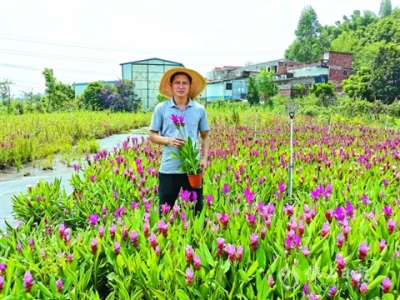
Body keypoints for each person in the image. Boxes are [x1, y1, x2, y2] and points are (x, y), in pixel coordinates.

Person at [149, 67, 210, 216]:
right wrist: (168, 140)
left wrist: (204, 158)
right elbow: (152, 135)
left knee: (195, 212)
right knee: (165, 211)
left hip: (193, 169)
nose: (181, 86)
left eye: (184, 83)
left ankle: (193, 238)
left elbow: (205, 135)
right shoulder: (161, 108)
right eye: (177, 83)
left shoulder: (199, 109)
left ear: (190, 86)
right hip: (169, 168)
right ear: (171, 86)